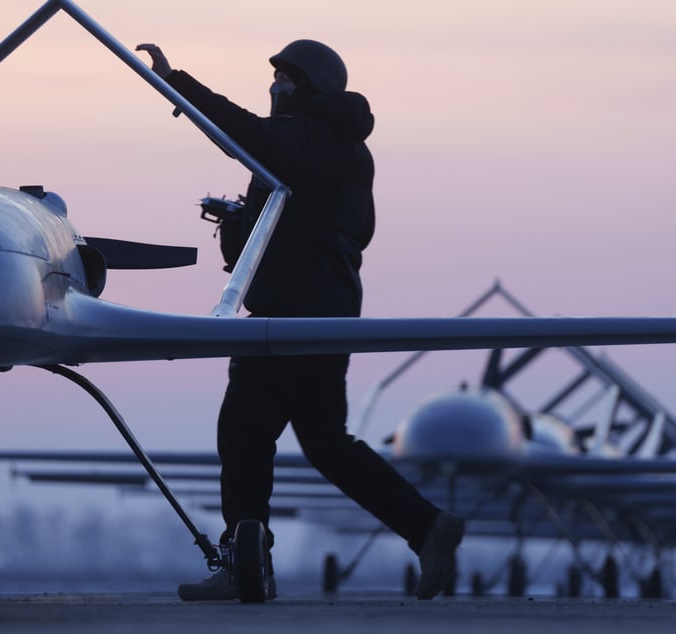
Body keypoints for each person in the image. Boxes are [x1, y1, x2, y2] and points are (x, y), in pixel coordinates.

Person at [136, 40, 464, 601]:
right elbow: (327, 225)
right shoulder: (335, 145)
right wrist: (244, 221)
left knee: (244, 434)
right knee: (325, 443)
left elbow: (247, 134)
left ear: (313, 87)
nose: (274, 86)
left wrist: (177, 84)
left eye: (286, 78)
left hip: (290, 316)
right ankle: (426, 526)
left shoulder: (309, 135)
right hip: (324, 312)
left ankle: (245, 565)